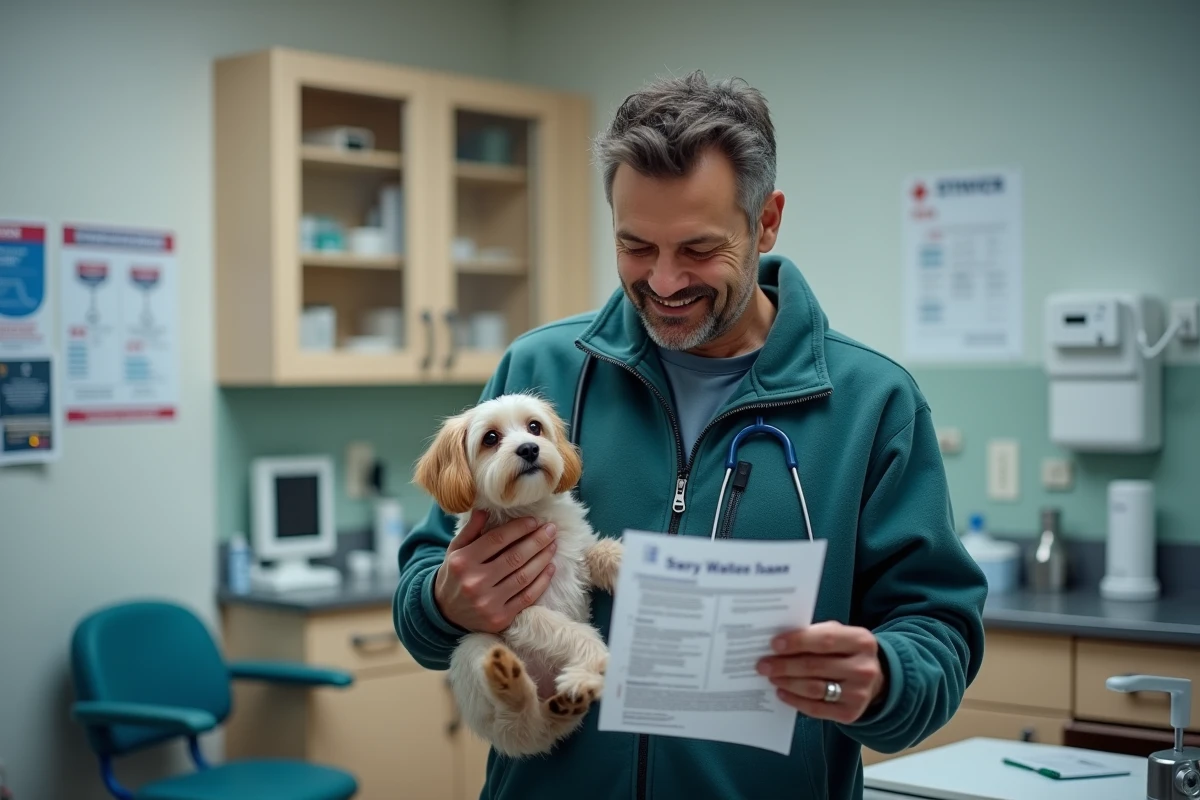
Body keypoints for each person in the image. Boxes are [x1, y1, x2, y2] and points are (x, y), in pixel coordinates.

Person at [394, 70, 988, 800]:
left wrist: (886, 678)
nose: (666, 281)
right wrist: (445, 603)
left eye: (700, 249)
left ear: (766, 222)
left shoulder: (872, 403)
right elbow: (424, 584)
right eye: (636, 246)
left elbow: (939, 628)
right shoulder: (539, 373)